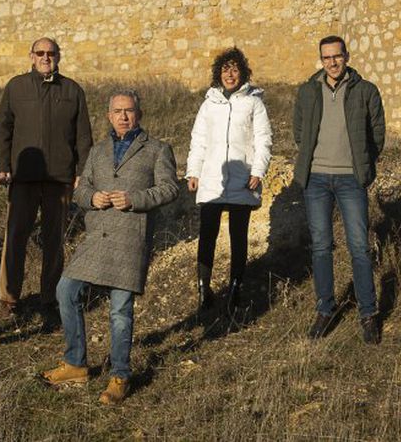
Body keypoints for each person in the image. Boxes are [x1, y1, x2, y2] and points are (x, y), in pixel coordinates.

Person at [42, 90, 178, 406]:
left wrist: (135, 199)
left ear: (139, 114)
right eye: (117, 111)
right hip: (96, 237)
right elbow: (81, 189)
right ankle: (76, 363)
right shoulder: (98, 151)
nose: (123, 116)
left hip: (130, 238)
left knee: (119, 310)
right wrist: (92, 198)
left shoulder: (157, 149)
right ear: (108, 115)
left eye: (129, 111)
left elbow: (170, 188)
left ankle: (120, 375)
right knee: (66, 290)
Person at [0, 37, 92, 325]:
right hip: (22, 178)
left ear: (58, 56)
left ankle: (50, 297)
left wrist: (83, 172)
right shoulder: (16, 87)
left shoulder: (72, 90)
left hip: (59, 180)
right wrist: (1, 166)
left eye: (51, 53)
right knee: (15, 239)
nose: (46, 57)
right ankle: (9, 299)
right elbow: (2, 129)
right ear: (31, 56)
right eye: (40, 53)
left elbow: (83, 136)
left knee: (54, 241)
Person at [293, 34, 385, 343]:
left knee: (359, 247)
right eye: (327, 57)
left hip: (350, 179)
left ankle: (368, 313)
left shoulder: (366, 91)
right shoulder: (308, 91)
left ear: (346, 56)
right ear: (321, 59)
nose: (332, 62)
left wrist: (363, 167)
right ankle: (325, 308)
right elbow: (299, 131)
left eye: (337, 56)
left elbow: (377, 134)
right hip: (316, 178)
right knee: (321, 246)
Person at [186, 47, 271, 313]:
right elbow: (198, 140)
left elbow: (263, 139)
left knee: (238, 236)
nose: (230, 74)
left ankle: (235, 289)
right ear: (218, 73)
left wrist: (258, 170)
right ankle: (203, 290)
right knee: (207, 235)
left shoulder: (254, 102)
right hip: (212, 178)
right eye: (225, 69)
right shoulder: (209, 103)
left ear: (242, 72)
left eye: (235, 69)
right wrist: (193, 172)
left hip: (243, 178)